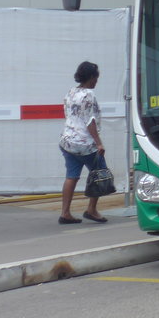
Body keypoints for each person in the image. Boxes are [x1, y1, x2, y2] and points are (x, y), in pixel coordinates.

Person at [58, 61, 107, 224]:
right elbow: (90, 122)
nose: (97, 81)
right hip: (85, 144)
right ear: (91, 77)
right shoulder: (89, 95)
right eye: (96, 77)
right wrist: (99, 143)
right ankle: (91, 209)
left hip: (68, 141)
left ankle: (65, 213)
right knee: (99, 174)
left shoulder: (71, 92)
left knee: (71, 176)